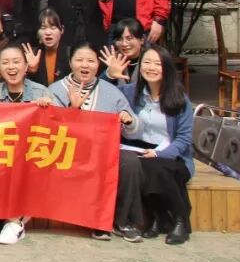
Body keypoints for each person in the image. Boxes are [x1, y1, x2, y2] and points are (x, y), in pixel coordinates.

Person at [46, 41, 144, 241]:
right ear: (70, 63)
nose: (85, 65)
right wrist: (72, 111)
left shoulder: (111, 91)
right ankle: (98, 221)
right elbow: (49, 128)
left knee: (130, 162)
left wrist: (129, 120)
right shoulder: (55, 90)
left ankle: (123, 221)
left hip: (103, 151)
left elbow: (136, 132)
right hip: (67, 152)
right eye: (79, 60)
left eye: (90, 61)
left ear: (98, 65)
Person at [0, 42, 60, 245]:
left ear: (26, 66)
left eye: (16, 62)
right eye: (5, 63)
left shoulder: (41, 93)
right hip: (0, 156)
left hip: (31, 157)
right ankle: (15, 222)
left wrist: (50, 110)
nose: (11, 67)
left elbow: (59, 130)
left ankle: (14, 222)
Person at [118, 46, 194, 245]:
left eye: (157, 64)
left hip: (174, 156)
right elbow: (105, 92)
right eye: (147, 62)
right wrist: (109, 74)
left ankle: (179, 219)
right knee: (139, 166)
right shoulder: (130, 92)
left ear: (166, 68)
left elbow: (183, 139)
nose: (151, 68)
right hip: (141, 150)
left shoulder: (180, 99)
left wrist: (160, 154)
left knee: (157, 167)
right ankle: (159, 218)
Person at [27, 8, 71, 86]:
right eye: (43, 28)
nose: (48, 32)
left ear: (62, 30)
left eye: (53, 28)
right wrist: (31, 71)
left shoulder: (70, 54)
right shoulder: (32, 54)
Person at [101, 18, 147, 85]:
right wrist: (109, 74)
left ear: (142, 39)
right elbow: (98, 87)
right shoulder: (112, 59)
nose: (124, 44)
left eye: (129, 38)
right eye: (119, 39)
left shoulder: (151, 60)